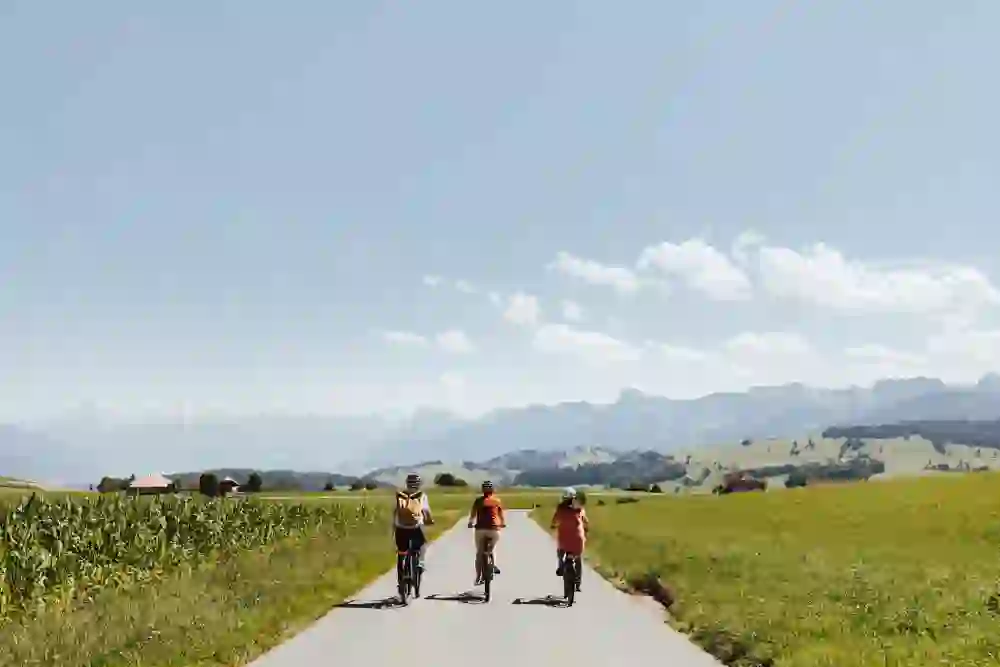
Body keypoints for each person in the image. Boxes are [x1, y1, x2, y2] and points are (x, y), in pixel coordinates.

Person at [467, 480, 506, 585]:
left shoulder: (478, 501)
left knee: (479, 553)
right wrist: (502, 523)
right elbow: (501, 515)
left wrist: (470, 523)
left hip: (481, 529)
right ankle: (492, 564)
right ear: (493, 490)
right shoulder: (497, 500)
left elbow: (472, 514)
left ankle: (478, 576)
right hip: (494, 529)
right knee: (491, 549)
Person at [550, 486, 589, 590]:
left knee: (560, 552)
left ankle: (561, 567)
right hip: (578, 539)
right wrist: (586, 529)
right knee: (578, 559)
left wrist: (553, 525)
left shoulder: (560, 508)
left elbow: (554, 520)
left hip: (564, 539)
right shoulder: (580, 509)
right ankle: (578, 583)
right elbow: (585, 522)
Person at [393, 473, 434, 571]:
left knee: (402, 549)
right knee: (422, 544)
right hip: (415, 527)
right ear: (418, 484)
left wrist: (394, 525)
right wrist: (430, 520)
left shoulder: (400, 496)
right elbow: (426, 511)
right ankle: (420, 562)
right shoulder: (421, 496)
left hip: (401, 527)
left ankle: (402, 568)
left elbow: (395, 511)